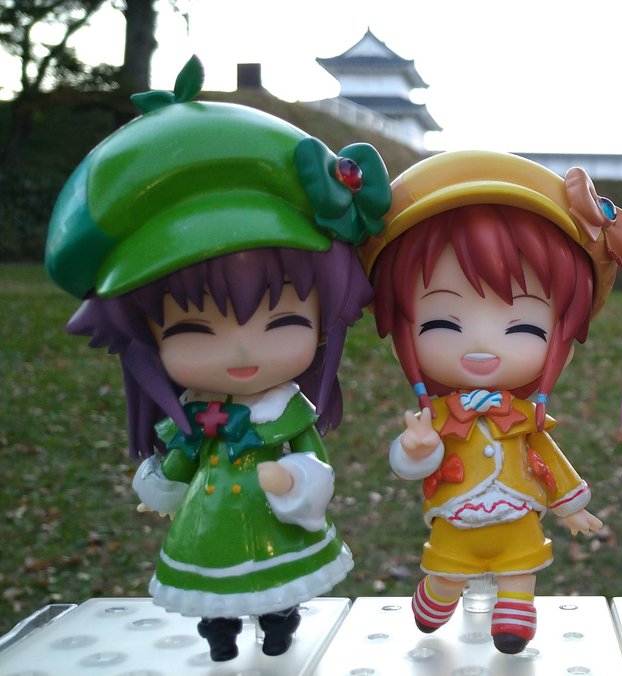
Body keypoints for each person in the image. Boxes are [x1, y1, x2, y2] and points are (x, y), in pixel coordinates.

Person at [44, 57, 385, 661]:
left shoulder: (285, 412)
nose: (243, 350)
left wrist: (297, 480)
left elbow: (314, 459)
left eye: (282, 322)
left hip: (275, 527)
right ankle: (219, 630)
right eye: (195, 330)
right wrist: (163, 479)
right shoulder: (193, 416)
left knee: (278, 592)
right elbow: (177, 463)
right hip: (206, 529)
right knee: (214, 596)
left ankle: (279, 619)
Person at [361, 150, 622, 654]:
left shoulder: (525, 417)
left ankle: (515, 615)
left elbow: (548, 456)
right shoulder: (438, 415)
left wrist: (571, 505)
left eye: (523, 326)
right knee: (446, 565)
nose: (482, 344)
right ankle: (437, 593)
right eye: (441, 323)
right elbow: (408, 462)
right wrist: (417, 449)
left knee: (521, 565)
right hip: (456, 513)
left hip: (517, 514)